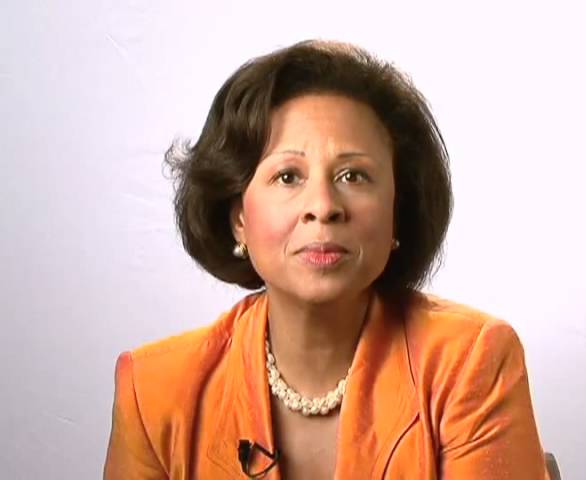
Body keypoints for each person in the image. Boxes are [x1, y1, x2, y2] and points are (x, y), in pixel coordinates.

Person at [104, 40, 550, 479]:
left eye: (353, 175)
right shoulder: (155, 392)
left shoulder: (469, 364)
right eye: (287, 176)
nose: (322, 206)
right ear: (238, 218)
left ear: (398, 210)